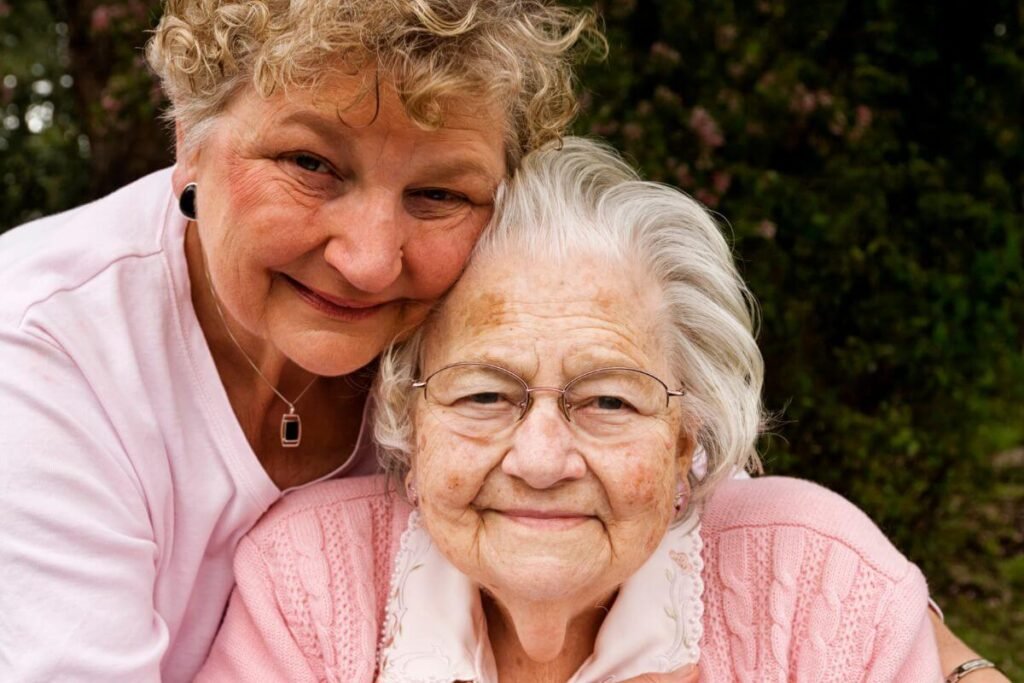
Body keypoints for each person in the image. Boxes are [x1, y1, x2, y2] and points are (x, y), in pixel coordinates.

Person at [195, 138, 971, 681]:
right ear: (410, 420)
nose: (539, 460)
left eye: (606, 398)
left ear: (683, 438)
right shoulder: (309, 582)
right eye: (484, 393)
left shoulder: (820, 584)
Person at [0, 2, 601, 680]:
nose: (369, 261)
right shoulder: (36, 349)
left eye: (437, 194)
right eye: (310, 163)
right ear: (189, 142)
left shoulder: (488, 315)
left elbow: (687, 499)